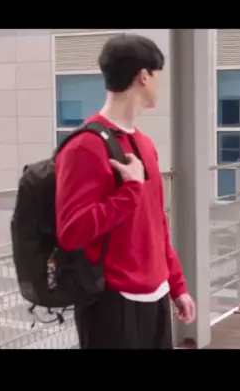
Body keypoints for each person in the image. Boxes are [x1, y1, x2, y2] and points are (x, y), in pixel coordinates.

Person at [54, 34, 196, 349]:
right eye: (158, 75)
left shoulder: (145, 144)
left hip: (156, 295)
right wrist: (130, 191)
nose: (160, 83)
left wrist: (177, 285)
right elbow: (72, 232)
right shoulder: (84, 146)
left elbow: (156, 222)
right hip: (111, 303)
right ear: (144, 76)